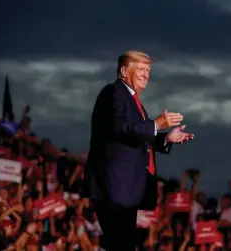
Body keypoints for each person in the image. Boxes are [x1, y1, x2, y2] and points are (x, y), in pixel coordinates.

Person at [82, 50, 194, 251]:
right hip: (114, 187)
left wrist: (167, 137)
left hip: (127, 190)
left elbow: (138, 136)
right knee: (121, 245)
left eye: (148, 71)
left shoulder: (134, 101)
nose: (146, 75)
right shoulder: (112, 93)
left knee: (125, 245)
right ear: (124, 71)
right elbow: (118, 128)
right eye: (141, 69)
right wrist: (156, 124)